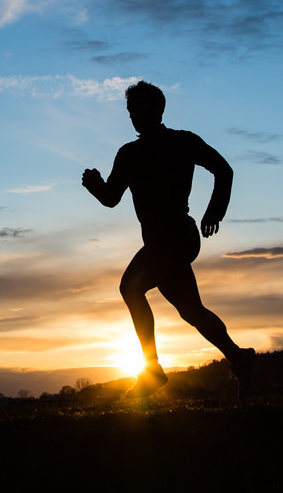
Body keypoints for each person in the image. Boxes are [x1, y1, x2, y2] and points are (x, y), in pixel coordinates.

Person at [82, 80, 255, 399]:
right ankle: (240, 358)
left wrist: (214, 211)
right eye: (130, 110)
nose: (133, 115)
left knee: (130, 288)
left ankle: (152, 371)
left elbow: (223, 170)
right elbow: (110, 198)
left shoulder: (182, 142)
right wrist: (94, 184)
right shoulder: (129, 154)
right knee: (191, 311)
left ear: (157, 109)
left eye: (139, 109)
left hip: (178, 236)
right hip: (159, 245)